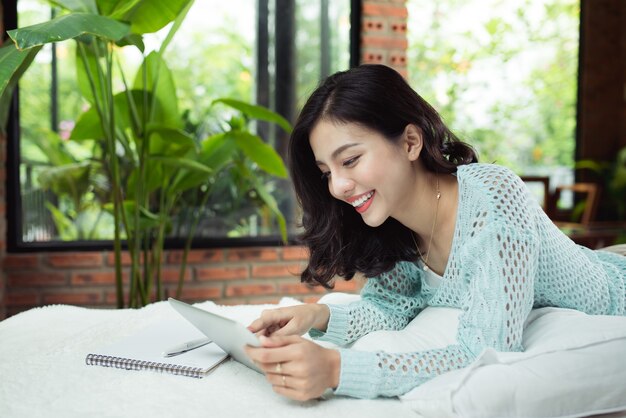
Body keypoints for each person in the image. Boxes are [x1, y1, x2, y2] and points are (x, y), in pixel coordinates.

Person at [244, 64, 626, 401]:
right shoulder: (393, 225)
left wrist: (339, 370)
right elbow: (391, 307)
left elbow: (486, 350)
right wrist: (317, 317)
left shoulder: (492, 195)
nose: (337, 186)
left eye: (350, 160)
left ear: (410, 142)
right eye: (327, 172)